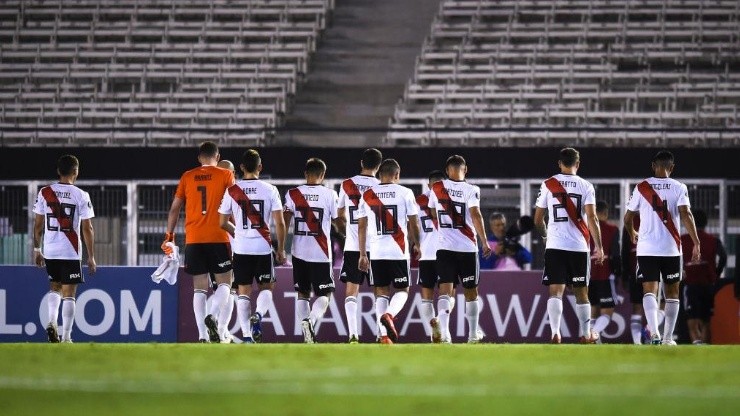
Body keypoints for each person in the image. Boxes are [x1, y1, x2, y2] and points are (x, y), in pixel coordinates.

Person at [624, 150, 701, 346]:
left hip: (647, 248)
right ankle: (668, 338)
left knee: (649, 291)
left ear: (653, 166)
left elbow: (627, 218)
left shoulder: (641, 187)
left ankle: (655, 334)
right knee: (672, 292)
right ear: (672, 167)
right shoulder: (679, 187)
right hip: (671, 248)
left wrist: (632, 232)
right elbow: (686, 214)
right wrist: (696, 241)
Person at [163, 141, 235, 343]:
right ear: (218, 157)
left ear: (199, 158)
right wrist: (239, 233)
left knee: (199, 288)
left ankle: (202, 335)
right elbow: (236, 205)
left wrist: (169, 236)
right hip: (218, 236)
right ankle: (212, 316)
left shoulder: (187, 176)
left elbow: (175, 208)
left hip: (193, 238)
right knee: (225, 284)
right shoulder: (226, 175)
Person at [534, 147, 604, 344]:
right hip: (579, 246)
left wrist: (546, 236)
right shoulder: (586, 186)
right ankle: (585, 334)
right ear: (578, 164)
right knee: (582, 292)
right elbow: (592, 217)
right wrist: (599, 246)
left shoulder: (548, 184)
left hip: (555, 245)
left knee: (555, 291)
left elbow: (538, 219)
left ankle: (555, 332)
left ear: (559, 163)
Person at [218, 150, 287, 343]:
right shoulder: (270, 189)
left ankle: (247, 336)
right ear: (260, 167)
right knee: (267, 287)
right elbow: (280, 223)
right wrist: (281, 249)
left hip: (241, 249)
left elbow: (222, 222)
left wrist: (238, 233)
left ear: (241, 168)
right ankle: (258, 314)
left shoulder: (232, 190)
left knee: (243, 291)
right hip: (263, 248)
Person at [428, 155, 492, 343]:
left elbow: (432, 212)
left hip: (444, 247)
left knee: (445, 291)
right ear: (466, 169)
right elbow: (476, 214)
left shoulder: (436, 188)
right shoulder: (472, 189)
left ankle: (446, 335)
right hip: (467, 248)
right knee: (471, 292)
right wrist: (485, 241)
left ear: (447, 171)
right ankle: (472, 335)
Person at [32, 155, 97, 343]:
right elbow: (88, 228)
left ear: (58, 171)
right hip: (71, 251)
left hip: (50, 250)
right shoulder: (81, 195)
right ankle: (67, 337)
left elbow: (37, 225)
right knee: (69, 294)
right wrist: (91, 257)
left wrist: (37, 249)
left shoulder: (44, 192)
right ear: (76, 171)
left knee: (54, 288)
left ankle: (52, 322)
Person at [356, 159, 420, 344]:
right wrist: (418, 244)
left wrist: (362, 254)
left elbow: (361, 227)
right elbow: (414, 222)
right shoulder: (406, 193)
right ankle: (389, 315)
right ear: (397, 175)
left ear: (379, 175)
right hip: (398, 251)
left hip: (376, 252)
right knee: (402, 290)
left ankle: (383, 336)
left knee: (381, 292)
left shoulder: (367, 195)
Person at [283, 158, 340, 343]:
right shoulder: (330, 195)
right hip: (321, 253)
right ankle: (311, 320)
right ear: (322, 175)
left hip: (299, 251)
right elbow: (339, 220)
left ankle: (306, 335)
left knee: (303, 294)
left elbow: (283, 222)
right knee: (325, 294)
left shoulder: (293, 194)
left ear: (305, 174)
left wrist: (280, 247)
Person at [336, 148, 382, 343]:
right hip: (377, 247)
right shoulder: (381, 186)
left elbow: (339, 216)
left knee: (351, 292)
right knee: (380, 292)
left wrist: (348, 232)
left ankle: (353, 334)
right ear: (379, 167)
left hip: (353, 245)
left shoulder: (347, 184)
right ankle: (382, 335)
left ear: (361, 163)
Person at [681, 209, 727, 344]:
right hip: (708, 285)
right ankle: (704, 347)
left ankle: (697, 346)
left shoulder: (683, 240)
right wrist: (716, 273)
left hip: (690, 285)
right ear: (706, 223)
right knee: (706, 320)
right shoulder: (713, 240)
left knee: (692, 320)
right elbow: (723, 257)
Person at [416, 170, 446, 343]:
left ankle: (432, 331)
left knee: (427, 297)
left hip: (426, 253)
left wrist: (414, 243)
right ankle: (442, 326)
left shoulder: (418, 201)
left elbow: (411, 225)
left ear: (428, 185)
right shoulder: (449, 199)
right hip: (446, 253)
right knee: (448, 295)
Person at [588, 201, 622, 341]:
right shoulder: (612, 229)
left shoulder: (585, 229)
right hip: (605, 275)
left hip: (588, 276)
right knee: (607, 311)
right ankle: (592, 334)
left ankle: (593, 340)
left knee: (593, 310)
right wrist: (618, 272)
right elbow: (615, 253)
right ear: (604, 213)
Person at [216, 159, 239, 342]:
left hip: (215, 243)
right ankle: (220, 329)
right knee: (227, 288)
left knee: (225, 288)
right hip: (223, 243)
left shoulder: (232, 192)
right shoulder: (232, 193)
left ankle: (219, 329)